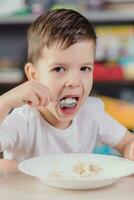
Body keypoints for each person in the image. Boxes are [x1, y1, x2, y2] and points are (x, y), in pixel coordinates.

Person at [0, 9, 134, 166]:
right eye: (59, 69)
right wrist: (4, 101)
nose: (74, 82)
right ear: (34, 75)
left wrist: (131, 148)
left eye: (84, 69)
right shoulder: (24, 122)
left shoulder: (91, 114)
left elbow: (127, 142)